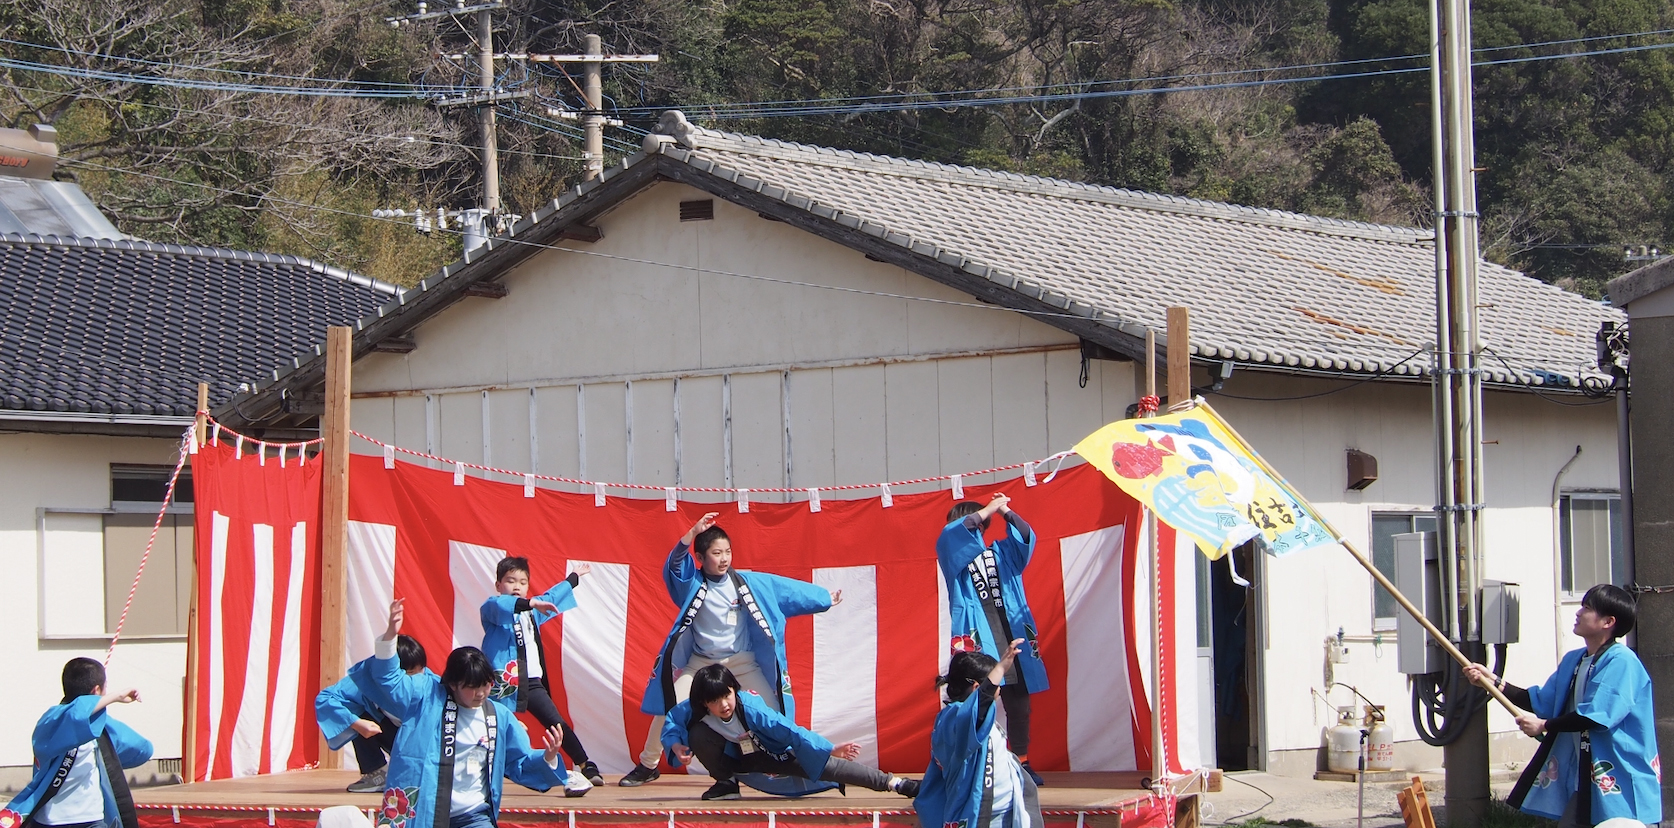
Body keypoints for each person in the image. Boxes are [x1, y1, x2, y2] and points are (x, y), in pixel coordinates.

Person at [619, 512, 842, 787]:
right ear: (700, 558)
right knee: (669, 705)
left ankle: (789, 764)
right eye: (716, 553)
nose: (724, 558)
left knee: (773, 713)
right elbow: (675, 566)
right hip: (701, 663)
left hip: (742, 662)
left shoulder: (749, 583)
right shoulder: (692, 584)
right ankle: (648, 764)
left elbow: (786, 591)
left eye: (727, 551)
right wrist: (691, 533)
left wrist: (823, 599)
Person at [350, 598, 588, 828]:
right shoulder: (425, 697)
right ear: (453, 684)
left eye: (485, 685)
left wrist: (548, 757)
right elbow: (387, 679)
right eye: (472, 688)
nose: (481, 693)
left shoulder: (499, 716)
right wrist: (391, 635)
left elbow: (519, 762)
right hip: (424, 812)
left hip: (474, 815)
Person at [1464, 585, 1661, 828]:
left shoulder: (1622, 661)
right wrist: (1492, 681)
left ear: (1608, 621)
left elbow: (1596, 717)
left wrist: (1544, 725)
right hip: (1586, 781)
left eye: (1587, 608)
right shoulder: (1575, 660)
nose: (1578, 613)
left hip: (1620, 783)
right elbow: (1541, 701)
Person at [662, 664, 920, 801]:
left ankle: (895, 783)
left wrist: (829, 748)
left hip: (774, 754)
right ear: (704, 702)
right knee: (696, 734)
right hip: (737, 758)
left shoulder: (751, 708)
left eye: (727, 695)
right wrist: (674, 745)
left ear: (734, 689)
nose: (724, 705)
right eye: (715, 701)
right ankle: (726, 783)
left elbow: (792, 733)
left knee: (831, 767)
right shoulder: (694, 709)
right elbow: (673, 720)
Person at [937, 492, 1048, 786]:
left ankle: (1021, 763)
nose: (971, 526)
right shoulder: (952, 556)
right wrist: (988, 509)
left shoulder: (1000, 552)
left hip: (1010, 631)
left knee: (1019, 703)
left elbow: (1025, 536)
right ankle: (971, 765)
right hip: (977, 635)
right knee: (973, 700)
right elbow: (952, 534)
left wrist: (1006, 512)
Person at [480, 556, 602, 786]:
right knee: (492, 726)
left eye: (523, 582)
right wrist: (532, 603)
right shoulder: (492, 607)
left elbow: (552, 598)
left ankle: (585, 764)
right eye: (510, 581)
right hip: (500, 683)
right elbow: (502, 606)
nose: (517, 586)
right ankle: (486, 773)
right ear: (498, 585)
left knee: (556, 722)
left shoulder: (533, 612)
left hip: (531, 681)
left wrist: (573, 578)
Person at [1, 657, 153, 828]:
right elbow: (77, 713)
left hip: (92, 818)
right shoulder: (53, 720)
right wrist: (115, 696)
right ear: (96, 691)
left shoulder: (100, 726)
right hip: (52, 820)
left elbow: (143, 749)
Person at [916, 638, 1042, 828]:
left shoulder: (957, 717)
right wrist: (1000, 668)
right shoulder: (957, 717)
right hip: (984, 815)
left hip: (1003, 811)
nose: (999, 689)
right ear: (977, 687)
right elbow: (979, 706)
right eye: (997, 684)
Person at [317, 634, 429, 793]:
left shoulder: (430, 683)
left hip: (423, 745)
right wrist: (357, 723)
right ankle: (377, 773)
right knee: (356, 713)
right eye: (411, 673)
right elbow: (326, 699)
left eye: (421, 671)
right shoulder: (368, 677)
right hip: (393, 736)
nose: (418, 678)